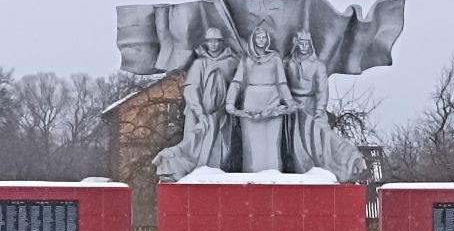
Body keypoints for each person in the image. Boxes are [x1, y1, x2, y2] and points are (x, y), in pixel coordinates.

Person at [153, 28, 238, 181]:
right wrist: (200, 114)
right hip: (198, 114)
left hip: (222, 115)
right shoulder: (199, 64)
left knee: (221, 152)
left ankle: (214, 179)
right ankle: (178, 168)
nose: (213, 45)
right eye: (210, 41)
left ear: (221, 43)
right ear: (206, 43)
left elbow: (237, 86)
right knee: (194, 147)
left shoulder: (231, 62)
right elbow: (191, 90)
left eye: (216, 41)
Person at [285, 30, 366, 182]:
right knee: (298, 146)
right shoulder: (288, 63)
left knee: (324, 137)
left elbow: (322, 91)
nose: (303, 46)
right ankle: (303, 171)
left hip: (311, 107)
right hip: (293, 110)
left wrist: (318, 111)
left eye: (306, 43)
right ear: (296, 44)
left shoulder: (317, 66)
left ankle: (351, 159)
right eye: (301, 42)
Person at [225, 27, 298, 172]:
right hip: (251, 102)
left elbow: (281, 83)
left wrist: (290, 102)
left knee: (272, 143)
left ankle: (273, 176)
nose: (261, 41)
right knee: (252, 144)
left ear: (268, 40)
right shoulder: (246, 59)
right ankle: (252, 177)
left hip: (272, 100)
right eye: (258, 37)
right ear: (253, 39)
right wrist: (230, 103)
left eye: (264, 37)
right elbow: (237, 82)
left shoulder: (275, 58)